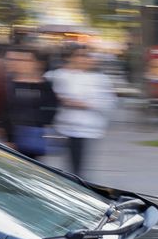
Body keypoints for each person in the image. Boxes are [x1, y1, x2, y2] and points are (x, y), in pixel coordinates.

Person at [50, 46, 116, 179]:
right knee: (62, 166)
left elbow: (108, 102)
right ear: (70, 58)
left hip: (87, 129)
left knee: (79, 167)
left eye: (88, 56)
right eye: (80, 55)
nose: (85, 59)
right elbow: (48, 90)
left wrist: (85, 104)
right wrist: (60, 99)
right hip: (63, 127)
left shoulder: (99, 78)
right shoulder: (59, 75)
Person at [1, 46, 58, 160]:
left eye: (26, 60)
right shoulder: (9, 83)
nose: (21, 63)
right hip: (13, 135)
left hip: (34, 135)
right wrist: (8, 137)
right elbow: (5, 111)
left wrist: (41, 125)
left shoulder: (44, 85)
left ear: (37, 63)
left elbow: (51, 108)